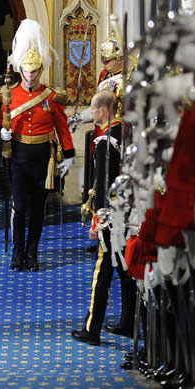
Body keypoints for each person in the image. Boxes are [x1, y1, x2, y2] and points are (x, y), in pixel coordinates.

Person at [0, 20, 74, 272]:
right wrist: (3, 134)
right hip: (18, 156)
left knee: (38, 209)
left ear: (40, 70)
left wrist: (69, 154)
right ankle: (18, 251)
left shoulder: (51, 96)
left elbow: (61, 126)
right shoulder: (9, 95)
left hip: (43, 158)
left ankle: (32, 253)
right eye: (26, 71)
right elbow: (2, 122)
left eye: (34, 71)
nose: (30, 76)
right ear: (20, 70)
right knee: (19, 207)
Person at [71, 89, 131, 345]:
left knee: (102, 272)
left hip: (111, 216)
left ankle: (92, 328)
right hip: (128, 214)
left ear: (103, 111)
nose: (91, 112)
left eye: (93, 108)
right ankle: (128, 322)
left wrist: (97, 221)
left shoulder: (105, 142)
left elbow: (105, 185)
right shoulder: (125, 133)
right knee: (126, 270)